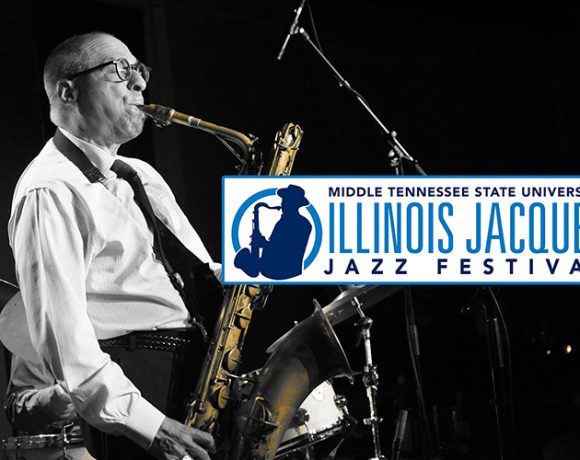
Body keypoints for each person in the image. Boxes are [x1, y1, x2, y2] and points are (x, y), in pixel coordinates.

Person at [8, 31, 220, 459]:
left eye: (139, 70)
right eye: (120, 71)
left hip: (191, 377)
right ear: (68, 92)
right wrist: (151, 426)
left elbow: (199, 272)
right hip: (142, 400)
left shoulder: (140, 173)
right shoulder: (50, 191)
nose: (139, 83)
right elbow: (67, 343)